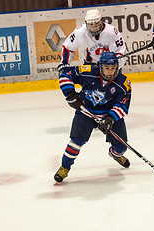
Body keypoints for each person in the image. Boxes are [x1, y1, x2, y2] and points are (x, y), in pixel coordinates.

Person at [54, 52, 132, 183]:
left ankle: (114, 154)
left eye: (113, 68)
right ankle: (64, 167)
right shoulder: (89, 71)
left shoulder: (124, 83)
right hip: (86, 112)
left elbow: (122, 106)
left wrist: (110, 118)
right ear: (100, 66)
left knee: (121, 147)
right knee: (75, 143)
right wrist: (71, 94)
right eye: (107, 68)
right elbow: (65, 74)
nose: (110, 71)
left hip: (108, 115)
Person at [57, 8, 126, 73]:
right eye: (91, 24)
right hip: (91, 64)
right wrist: (64, 63)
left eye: (96, 23)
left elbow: (119, 52)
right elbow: (68, 47)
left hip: (110, 66)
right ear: (86, 23)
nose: (94, 27)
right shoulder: (80, 32)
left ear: (101, 21)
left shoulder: (111, 32)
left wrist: (111, 64)